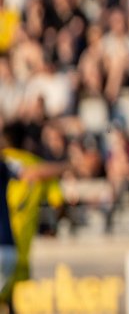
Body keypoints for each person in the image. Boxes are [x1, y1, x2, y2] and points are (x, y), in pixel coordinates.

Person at [0, 126, 68, 312]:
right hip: (15, 249)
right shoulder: (32, 165)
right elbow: (58, 204)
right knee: (13, 302)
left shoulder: (6, 162)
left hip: (6, 244)